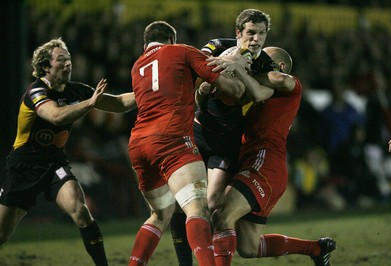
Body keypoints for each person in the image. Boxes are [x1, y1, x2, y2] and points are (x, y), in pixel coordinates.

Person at [0, 38, 137, 266]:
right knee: (2, 235)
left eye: (69, 59)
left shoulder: (76, 90)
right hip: (23, 168)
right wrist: (89, 104)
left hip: (54, 164)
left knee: (81, 212)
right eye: (61, 60)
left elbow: (119, 104)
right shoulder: (36, 91)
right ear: (46, 67)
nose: (68, 64)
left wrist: (148, 91)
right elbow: (56, 116)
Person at [126, 21, 245, 266]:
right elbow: (227, 87)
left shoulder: (138, 66)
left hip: (138, 144)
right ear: (172, 39)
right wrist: (238, 73)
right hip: (171, 140)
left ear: (145, 44)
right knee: (197, 209)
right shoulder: (182, 50)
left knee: (160, 215)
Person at [206, 46, 336, 266]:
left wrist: (238, 68)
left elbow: (280, 79)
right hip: (259, 165)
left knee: (222, 215)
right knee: (248, 247)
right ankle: (315, 248)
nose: (258, 61)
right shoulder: (259, 91)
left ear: (281, 65)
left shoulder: (291, 85)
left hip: (264, 163)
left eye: (264, 59)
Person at [169, 9, 275, 266]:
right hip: (198, 132)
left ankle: (210, 257)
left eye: (261, 33)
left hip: (227, 143)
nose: (256, 39)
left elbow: (261, 95)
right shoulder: (218, 46)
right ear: (238, 33)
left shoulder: (265, 65)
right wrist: (209, 79)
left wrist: (237, 70)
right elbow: (192, 69)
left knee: (212, 203)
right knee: (181, 203)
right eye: (250, 32)